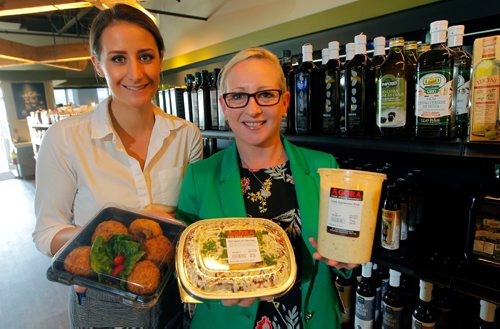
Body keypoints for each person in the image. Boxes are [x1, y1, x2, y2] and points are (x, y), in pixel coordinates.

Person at [32, 4, 203, 328]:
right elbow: (47, 231)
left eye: (146, 56)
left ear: (160, 58)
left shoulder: (185, 135)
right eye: (118, 58)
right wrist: (93, 252)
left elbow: (192, 218)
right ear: (98, 64)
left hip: (172, 291)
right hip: (101, 295)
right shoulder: (65, 139)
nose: (136, 73)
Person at [176, 47, 357, 329]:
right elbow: (187, 267)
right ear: (224, 106)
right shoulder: (200, 176)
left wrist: (347, 260)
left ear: (284, 101)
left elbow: (342, 258)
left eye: (266, 94)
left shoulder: (324, 168)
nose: (253, 109)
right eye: (238, 96)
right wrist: (214, 294)